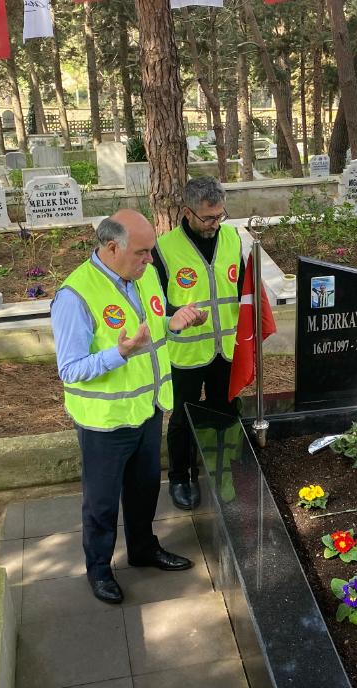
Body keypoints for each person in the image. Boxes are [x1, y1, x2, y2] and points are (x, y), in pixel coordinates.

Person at [50, 208, 208, 605]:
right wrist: (118, 354)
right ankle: (99, 570)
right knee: (101, 503)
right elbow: (70, 369)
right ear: (111, 248)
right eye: (142, 252)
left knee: (144, 489)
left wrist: (173, 321)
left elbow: (150, 329)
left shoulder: (144, 275)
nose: (150, 260)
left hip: (148, 409)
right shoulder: (75, 296)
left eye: (150, 251)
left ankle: (142, 549)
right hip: (106, 423)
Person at [152, 176, 244, 511]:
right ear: (187, 212)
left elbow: (241, 289)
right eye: (207, 218)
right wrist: (179, 315)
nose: (215, 224)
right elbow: (155, 305)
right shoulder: (164, 249)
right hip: (187, 352)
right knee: (183, 419)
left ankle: (223, 473)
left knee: (225, 413)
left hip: (227, 350)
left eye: (220, 215)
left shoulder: (232, 238)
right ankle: (182, 477)